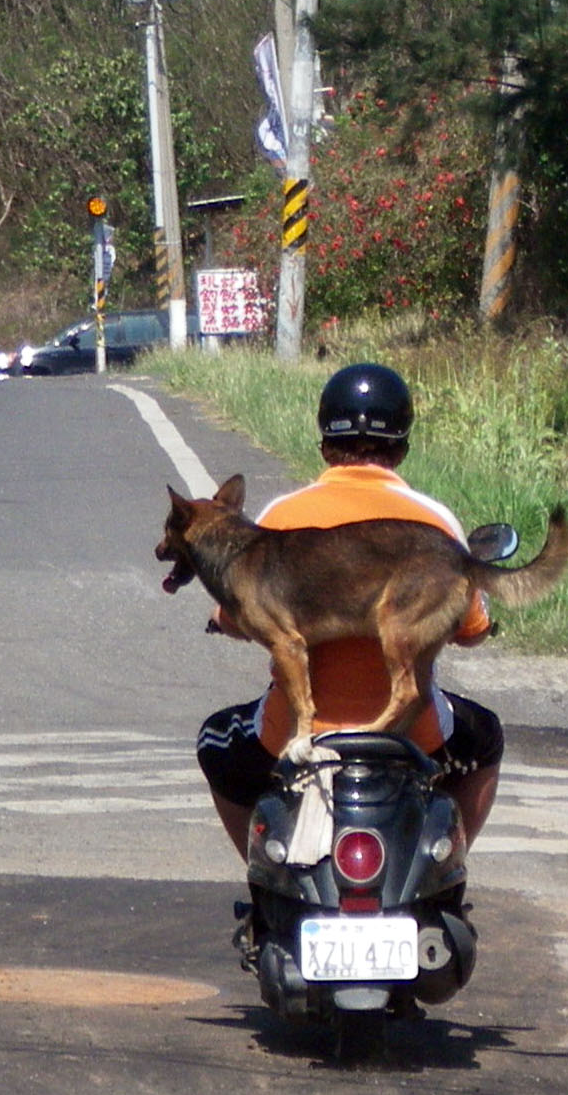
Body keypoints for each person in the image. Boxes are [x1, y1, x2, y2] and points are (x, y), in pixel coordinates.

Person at [194, 361, 503, 859]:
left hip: (297, 739)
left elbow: (237, 617)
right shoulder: (435, 523)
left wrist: (222, 620)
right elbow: (470, 629)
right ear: (402, 445)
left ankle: (259, 874)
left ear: (323, 443)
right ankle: (449, 864)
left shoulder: (278, 519)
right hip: (415, 739)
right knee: (484, 738)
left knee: (216, 743)